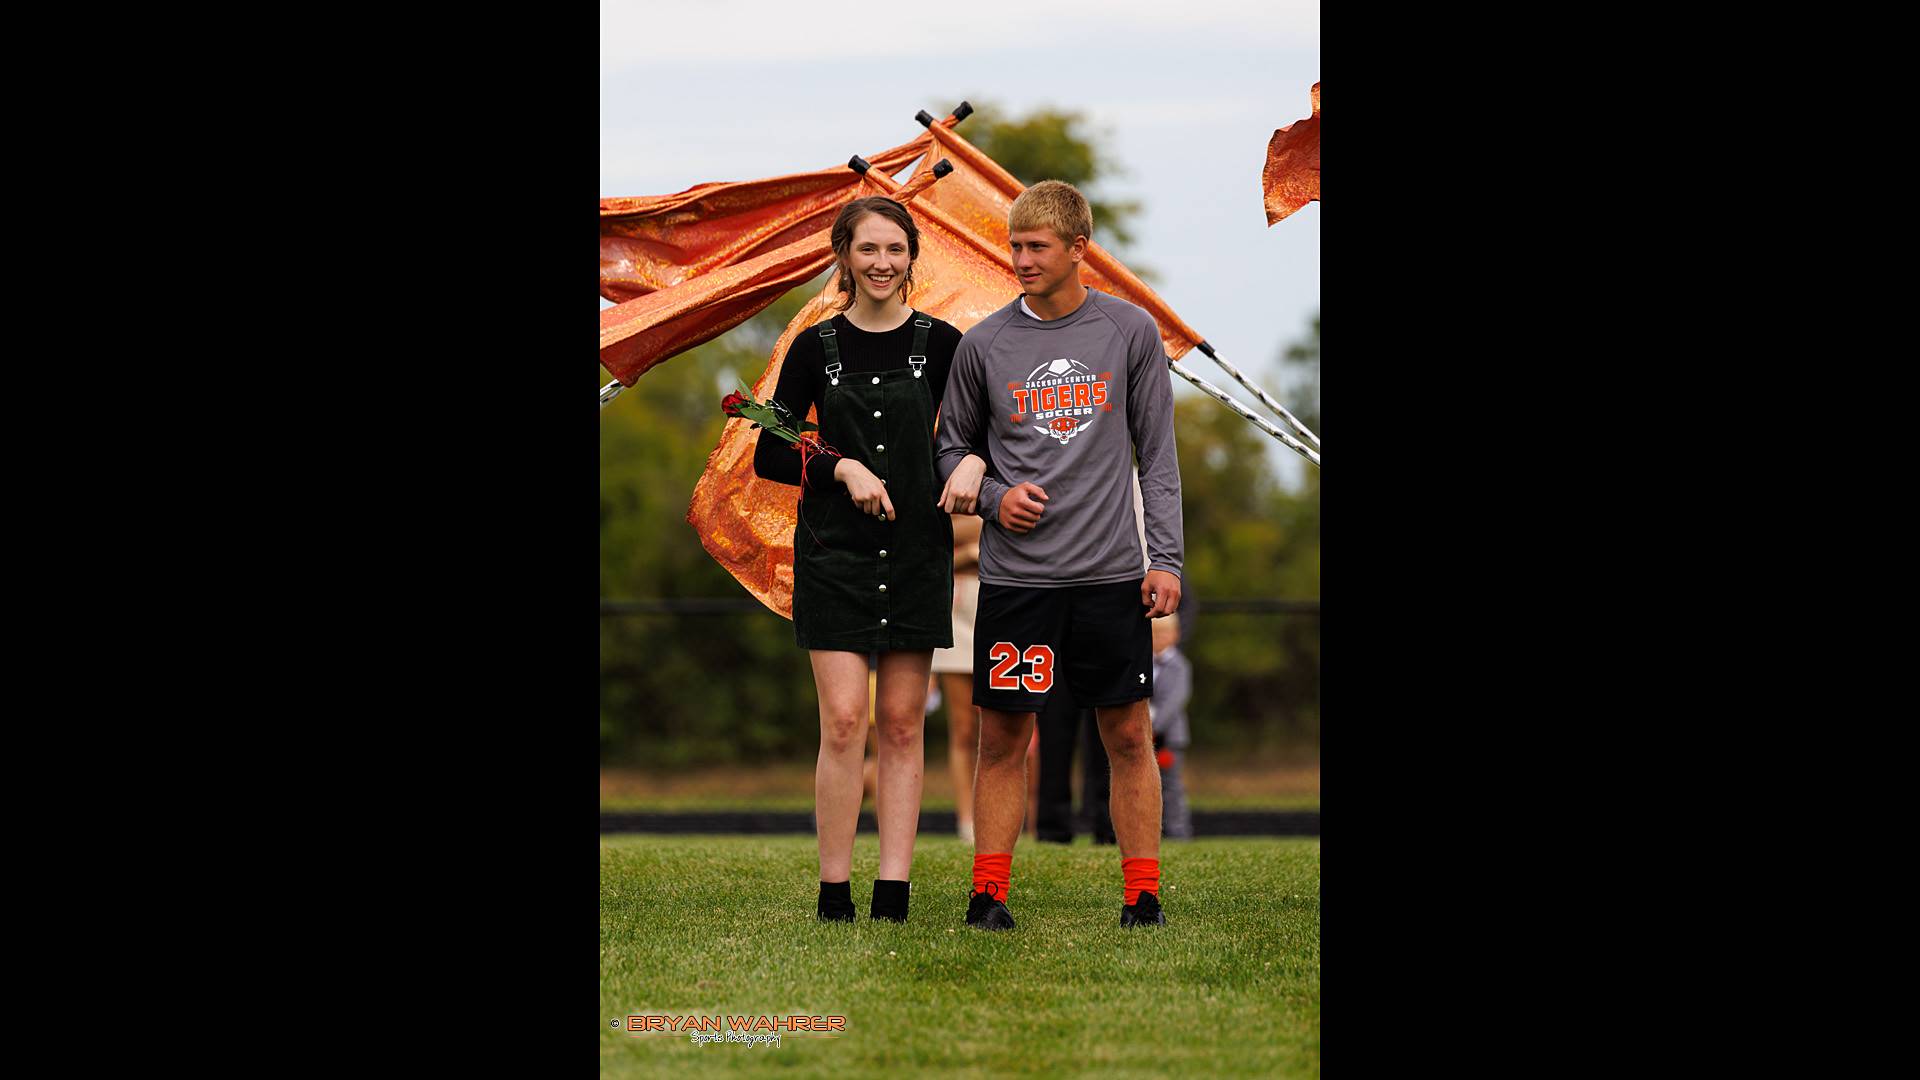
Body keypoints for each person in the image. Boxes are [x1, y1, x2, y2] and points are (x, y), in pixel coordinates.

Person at [933, 180, 1184, 930]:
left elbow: (1158, 461)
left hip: (1110, 577)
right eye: (1014, 245)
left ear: (1080, 248)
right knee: (1004, 736)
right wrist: (990, 498)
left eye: (1036, 246)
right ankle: (988, 895)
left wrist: (1164, 558)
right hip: (1019, 581)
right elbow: (948, 451)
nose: (1020, 259)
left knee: (1129, 734)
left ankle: (1142, 897)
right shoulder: (983, 346)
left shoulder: (1130, 332)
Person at [752, 196, 987, 923]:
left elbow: (983, 434)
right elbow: (770, 449)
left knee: (903, 725)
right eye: (867, 250)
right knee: (846, 723)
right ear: (843, 258)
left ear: (912, 257)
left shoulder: (944, 345)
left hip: (918, 553)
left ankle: (893, 890)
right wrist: (841, 468)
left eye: (895, 249)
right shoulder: (813, 348)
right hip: (834, 556)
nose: (882, 263)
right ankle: (833, 891)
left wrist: (974, 459)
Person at [931, 513, 983, 845]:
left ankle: (1007, 814)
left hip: (994, 595)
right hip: (956, 599)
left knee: (1001, 725)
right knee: (963, 727)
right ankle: (967, 820)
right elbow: (936, 533)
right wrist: (970, 552)